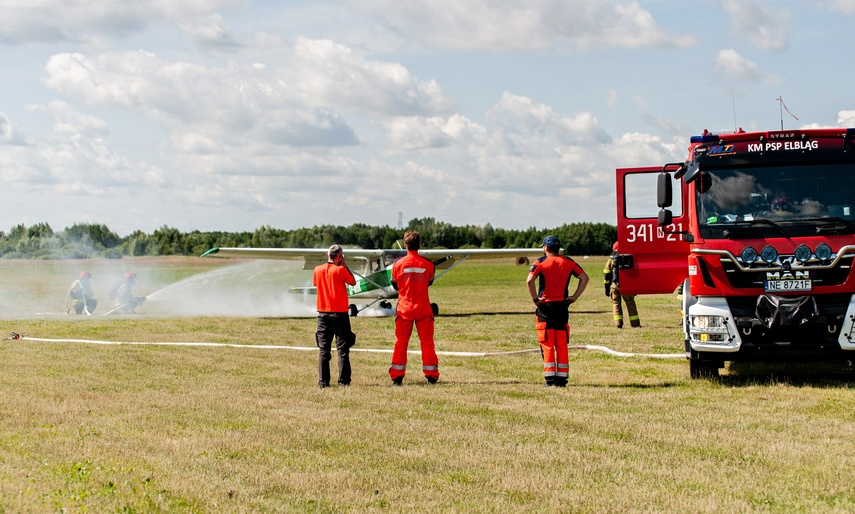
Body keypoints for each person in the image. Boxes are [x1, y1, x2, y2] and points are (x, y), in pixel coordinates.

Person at [526, 235, 589, 387]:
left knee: (547, 343)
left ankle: (550, 379)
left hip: (545, 307)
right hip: (562, 307)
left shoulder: (540, 262)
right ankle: (562, 379)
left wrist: (535, 299)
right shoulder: (568, 262)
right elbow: (584, 278)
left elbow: (529, 280)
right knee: (561, 344)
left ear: (546, 248)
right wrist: (574, 297)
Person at [389, 230, 439, 386]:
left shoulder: (397, 264)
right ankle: (431, 375)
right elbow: (430, 281)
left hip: (404, 309)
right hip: (423, 308)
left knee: (401, 343)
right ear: (419, 244)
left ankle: (397, 376)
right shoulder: (428, 263)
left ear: (405, 244)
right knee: (427, 343)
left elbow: (394, 283)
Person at [313, 244, 357, 388]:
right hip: (340, 315)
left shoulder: (317, 270)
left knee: (323, 349)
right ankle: (343, 382)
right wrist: (344, 264)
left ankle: (323, 382)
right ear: (339, 257)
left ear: (327, 255)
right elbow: (352, 281)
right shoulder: (341, 270)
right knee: (343, 350)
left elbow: (316, 283)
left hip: (323, 314)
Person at [603, 242, 640, 328]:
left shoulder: (611, 259)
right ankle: (635, 324)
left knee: (616, 304)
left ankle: (618, 323)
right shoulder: (630, 257)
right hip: (627, 285)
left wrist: (606, 287)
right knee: (630, 303)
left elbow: (606, 273)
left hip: (615, 285)